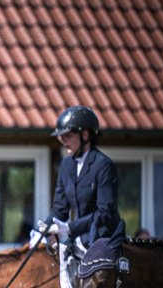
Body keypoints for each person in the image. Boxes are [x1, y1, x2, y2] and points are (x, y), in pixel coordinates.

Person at [40, 105, 123, 254]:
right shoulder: (66, 165)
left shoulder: (103, 165)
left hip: (102, 239)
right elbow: (60, 209)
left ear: (85, 135)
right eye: (60, 137)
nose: (62, 140)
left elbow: (104, 213)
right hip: (77, 239)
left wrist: (70, 228)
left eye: (67, 135)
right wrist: (44, 229)